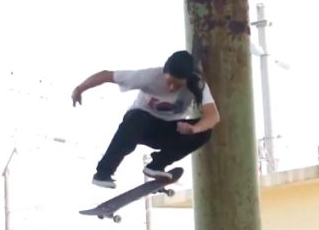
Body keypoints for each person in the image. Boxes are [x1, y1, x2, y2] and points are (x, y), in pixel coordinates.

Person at [71, 50, 220, 188]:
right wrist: (79, 89)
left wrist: (194, 129)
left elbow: (213, 116)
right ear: (164, 73)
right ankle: (103, 173)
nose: (171, 87)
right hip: (140, 126)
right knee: (137, 117)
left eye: (178, 84)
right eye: (169, 81)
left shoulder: (198, 86)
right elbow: (106, 75)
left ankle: (156, 165)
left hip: (168, 131)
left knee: (204, 131)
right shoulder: (150, 76)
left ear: (188, 80)